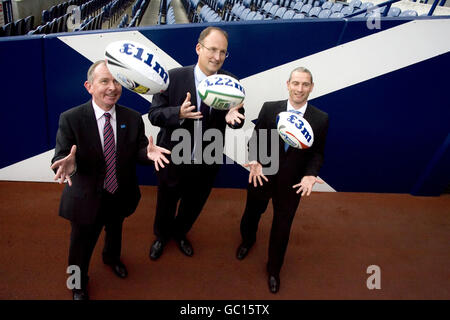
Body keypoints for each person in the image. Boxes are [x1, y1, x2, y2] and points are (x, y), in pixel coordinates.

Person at [51, 60, 170, 300]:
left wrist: (146, 154)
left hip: (120, 193)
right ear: (89, 86)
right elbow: (62, 156)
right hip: (86, 198)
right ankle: (77, 283)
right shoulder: (71, 118)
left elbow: (137, 150)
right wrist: (69, 164)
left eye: (116, 80)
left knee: (115, 231)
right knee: (79, 247)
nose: (112, 87)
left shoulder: (133, 117)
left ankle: (112, 258)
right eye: (104, 81)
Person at [147, 26, 245, 260]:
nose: (217, 57)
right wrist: (178, 113)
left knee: (194, 204)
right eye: (212, 49)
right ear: (198, 48)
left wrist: (234, 120)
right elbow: (154, 114)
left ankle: (180, 233)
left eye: (223, 52)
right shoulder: (172, 78)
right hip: (173, 158)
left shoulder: (231, 82)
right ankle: (161, 236)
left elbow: (237, 118)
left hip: (207, 160)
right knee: (166, 203)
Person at [236, 67, 329, 293]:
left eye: (305, 84)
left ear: (311, 87)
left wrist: (310, 174)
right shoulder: (270, 109)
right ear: (287, 84)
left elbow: (317, 153)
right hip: (262, 175)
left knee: (282, 226)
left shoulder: (320, 118)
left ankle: (274, 270)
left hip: (292, 183)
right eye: (295, 83)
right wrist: (255, 158)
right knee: (251, 213)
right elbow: (255, 139)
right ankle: (247, 241)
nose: (299, 89)